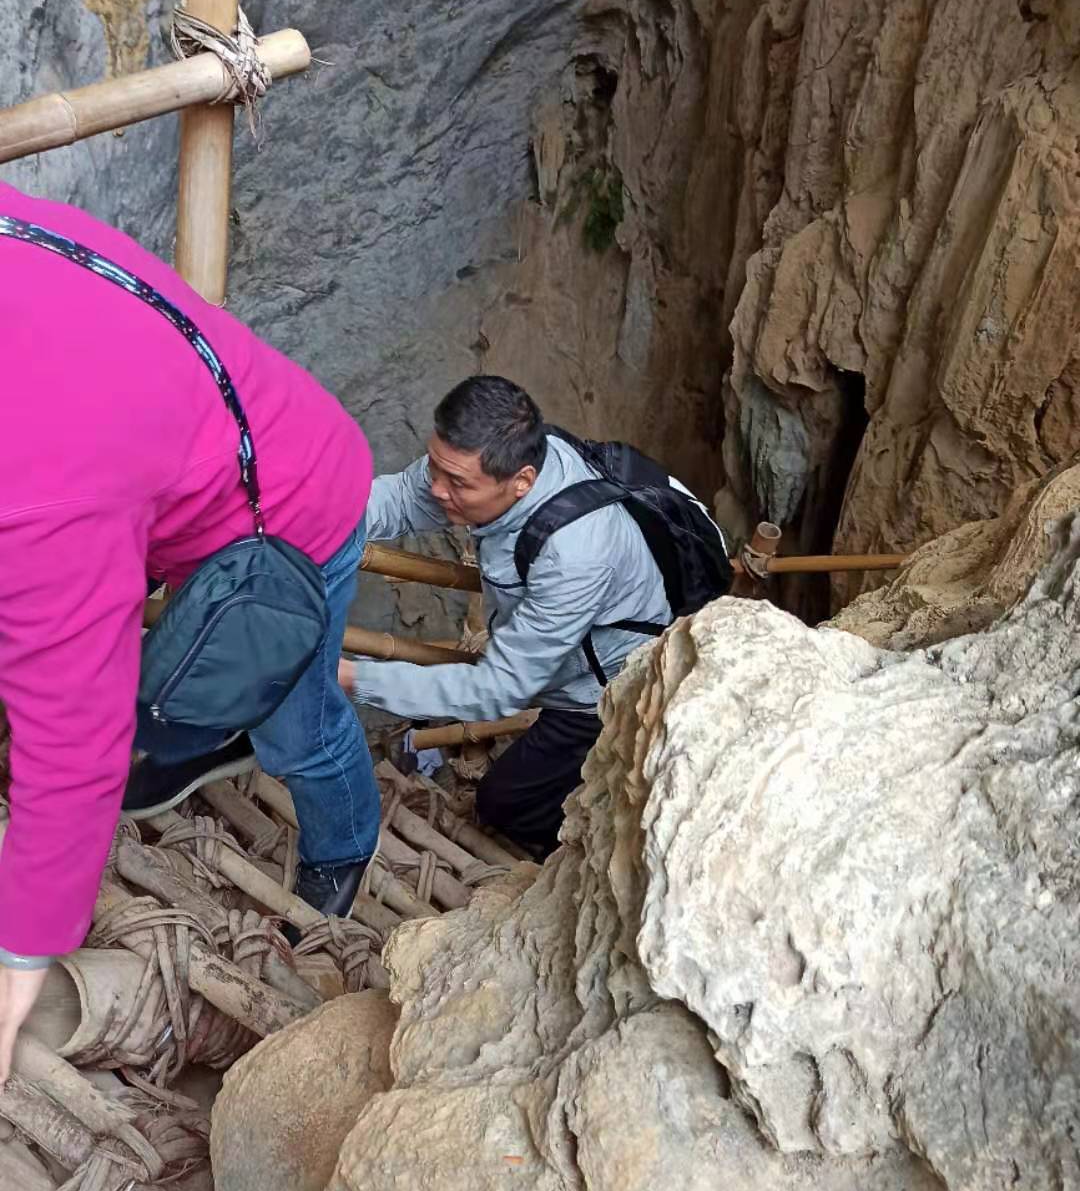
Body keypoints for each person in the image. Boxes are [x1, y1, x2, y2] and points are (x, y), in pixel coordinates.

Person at [0, 184, 381, 1085]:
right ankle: (206, 731)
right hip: (201, 455)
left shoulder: (41, 472)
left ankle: (342, 850)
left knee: (302, 726)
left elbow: (72, 747)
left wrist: (19, 966)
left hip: (292, 525)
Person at [341, 375, 676, 860]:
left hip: (600, 689)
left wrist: (355, 677)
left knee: (507, 805)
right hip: (547, 648)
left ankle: (583, 858)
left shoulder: (575, 555)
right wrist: (311, 520)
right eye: (435, 467)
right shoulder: (497, 455)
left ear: (522, 481)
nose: (437, 489)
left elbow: (498, 690)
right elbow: (399, 499)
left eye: (457, 483)